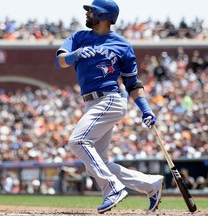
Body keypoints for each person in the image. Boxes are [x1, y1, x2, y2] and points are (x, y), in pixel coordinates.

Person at [54, 0, 164, 214]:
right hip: (92, 102)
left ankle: (112, 188)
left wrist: (145, 109)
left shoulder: (122, 45)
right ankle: (150, 184)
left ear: (103, 16)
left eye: (91, 11)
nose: (87, 13)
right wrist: (73, 55)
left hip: (110, 99)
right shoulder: (79, 37)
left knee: (78, 141)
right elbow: (59, 61)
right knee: (100, 162)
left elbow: (133, 83)